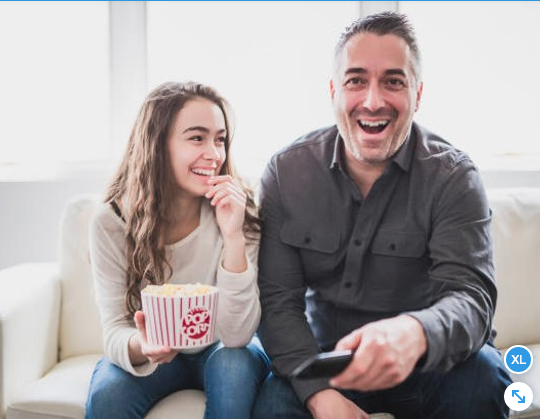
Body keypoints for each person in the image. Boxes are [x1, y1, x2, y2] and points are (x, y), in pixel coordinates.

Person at [253, 12, 511, 419]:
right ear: (334, 89)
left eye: (393, 81)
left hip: (429, 364)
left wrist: (415, 333)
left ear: (418, 94)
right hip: (328, 365)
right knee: (272, 405)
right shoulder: (286, 174)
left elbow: (471, 298)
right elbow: (277, 303)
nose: (373, 101)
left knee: (484, 378)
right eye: (356, 80)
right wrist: (320, 395)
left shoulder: (455, 178)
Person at [86, 81, 269, 419]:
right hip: (155, 357)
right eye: (197, 138)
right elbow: (113, 330)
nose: (214, 154)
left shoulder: (239, 210)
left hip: (223, 349)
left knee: (233, 368)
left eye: (220, 139)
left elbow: (237, 334)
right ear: (158, 144)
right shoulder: (110, 222)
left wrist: (233, 237)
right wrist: (145, 347)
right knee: (108, 396)